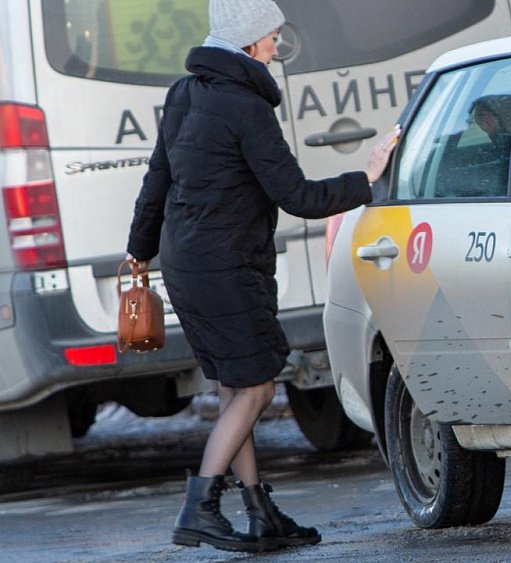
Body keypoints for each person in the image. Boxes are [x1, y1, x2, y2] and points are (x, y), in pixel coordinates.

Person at [125, 0, 397, 553]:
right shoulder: (245, 107)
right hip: (225, 265)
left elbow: (157, 180)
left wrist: (139, 251)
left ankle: (260, 512)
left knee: (234, 387)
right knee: (255, 386)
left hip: (186, 262)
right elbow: (297, 196)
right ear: (249, 43)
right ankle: (199, 508)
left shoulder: (185, 94)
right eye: (273, 37)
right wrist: (366, 179)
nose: (278, 48)